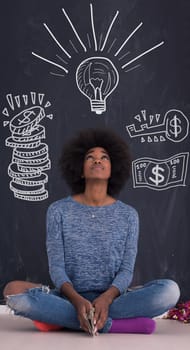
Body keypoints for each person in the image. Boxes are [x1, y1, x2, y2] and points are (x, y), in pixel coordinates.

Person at [3, 128, 180, 335]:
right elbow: (57, 268)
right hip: (69, 297)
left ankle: (65, 319)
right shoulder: (58, 211)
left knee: (169, 292)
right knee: (12, 292)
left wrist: (106, 298)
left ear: (113, 169)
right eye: (90, 157)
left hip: (114, 298)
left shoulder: (128, 215)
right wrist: (77, 301)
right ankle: (112, 324)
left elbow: (126, 271)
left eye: (104, 157)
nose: (97, 161)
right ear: (80, 169)